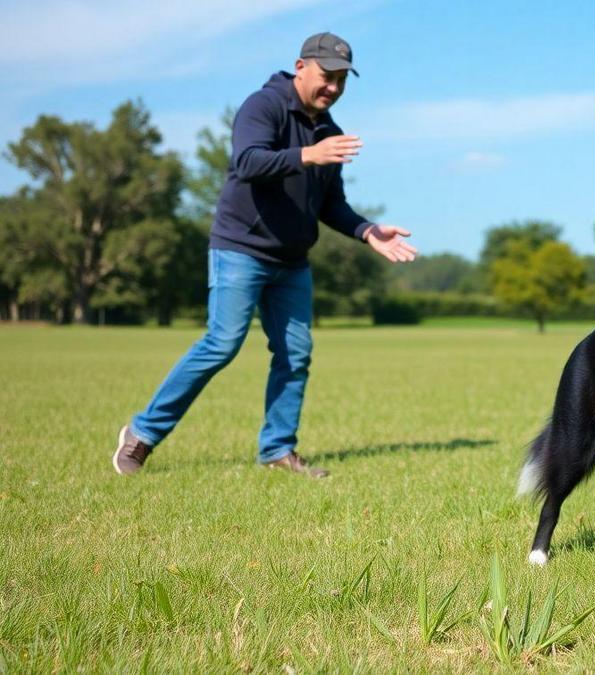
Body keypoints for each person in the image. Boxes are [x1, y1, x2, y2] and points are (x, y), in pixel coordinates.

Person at [113, 32, 416, 478]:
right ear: (301, 67)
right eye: (326, 76)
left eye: (341, 81)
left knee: (296, 354)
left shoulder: (329, 133)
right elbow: (249, 161)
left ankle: (277, 450)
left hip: (292, 262)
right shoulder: (264, 106)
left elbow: (330, 204)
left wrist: (368, 230)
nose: (332, 87)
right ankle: (140, 435)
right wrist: (308, 155)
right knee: (221, 344)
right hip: (241, 249)